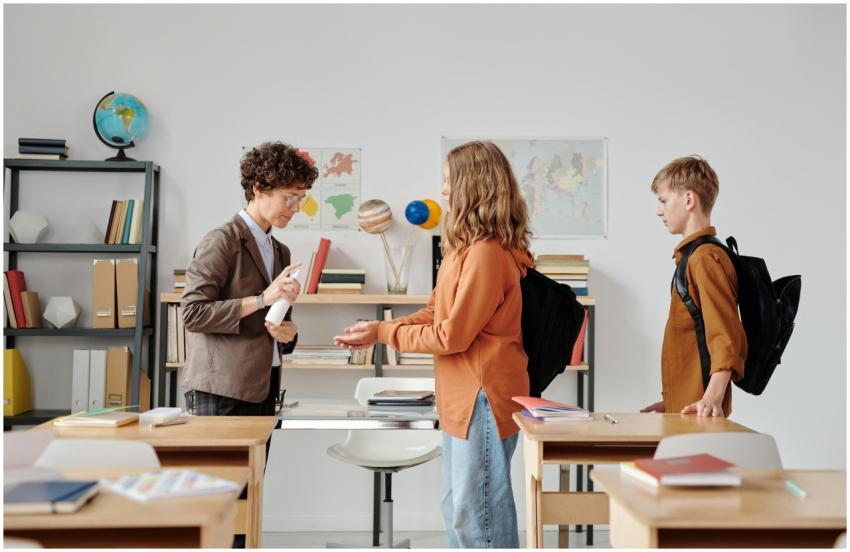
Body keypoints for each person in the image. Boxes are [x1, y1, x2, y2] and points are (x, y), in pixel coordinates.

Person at [334, 141, 533, 548]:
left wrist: (384, 334)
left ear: (473, 186)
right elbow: (434, 312)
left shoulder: (487, 255)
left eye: (448, 182)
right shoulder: (464, 250)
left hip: (484, 395)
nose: (442, 192)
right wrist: (379, 327)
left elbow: (450, 336)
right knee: (459, 508)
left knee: (477, 513)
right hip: (461, 395)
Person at [182, 141, 319, 416]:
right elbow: (193, 314)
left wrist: (288, 336)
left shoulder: (280, 251)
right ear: (258, 188)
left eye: (300, 199)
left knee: (259, 462)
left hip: (265, 386)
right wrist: (261, 300)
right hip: (222, 388)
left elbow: (275, 321)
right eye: (289, 197)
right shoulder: (221, 241)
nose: (295, 208)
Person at [641, 155, 747, 417]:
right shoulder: (692, 258)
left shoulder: (704, 259)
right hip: (687, 410)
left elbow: (724, 336)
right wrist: (674, 401)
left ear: (689, 200)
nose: (659, 210)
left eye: (663, 200)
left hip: (700, 416)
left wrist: (711, 399)